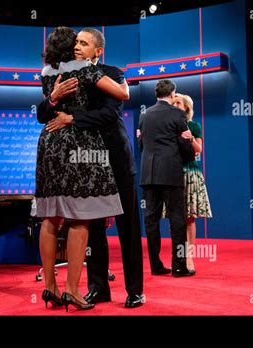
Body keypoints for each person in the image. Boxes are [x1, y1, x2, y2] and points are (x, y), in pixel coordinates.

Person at [38, 28, 145, 308]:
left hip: (115, 157)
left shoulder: (111, 72)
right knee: (91, 225)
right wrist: (54, 100)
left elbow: (110, 112)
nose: (77, 47)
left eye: (83, 43)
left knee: (128, 227)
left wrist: (71, 118)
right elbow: (41, 112)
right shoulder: (64, 72)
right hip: (84, 160)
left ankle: (135, 290)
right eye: (76, 42)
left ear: (98, 51)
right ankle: (97, 287)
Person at [138, 79, 194, 277]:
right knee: (177, 219)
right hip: (170, 172)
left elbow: (142, 145)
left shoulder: (144, 116)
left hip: (148, 174)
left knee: (151, 221)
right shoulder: (178, 114)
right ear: (172, 95)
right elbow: (185, 145)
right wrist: (187, 155)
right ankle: (179, 266)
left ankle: (155, 265)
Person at [174, 93, 212, 273]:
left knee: (189, 218)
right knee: (176, 218)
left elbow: (199, 150)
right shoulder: (168, 125)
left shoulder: (194, 126)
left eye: (178, 103)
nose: (174, 105)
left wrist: (190, 138)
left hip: (190, 173)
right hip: (172, 174)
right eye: (172, 102)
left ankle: (189, 257)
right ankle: (178, 257)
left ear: (186, 108)